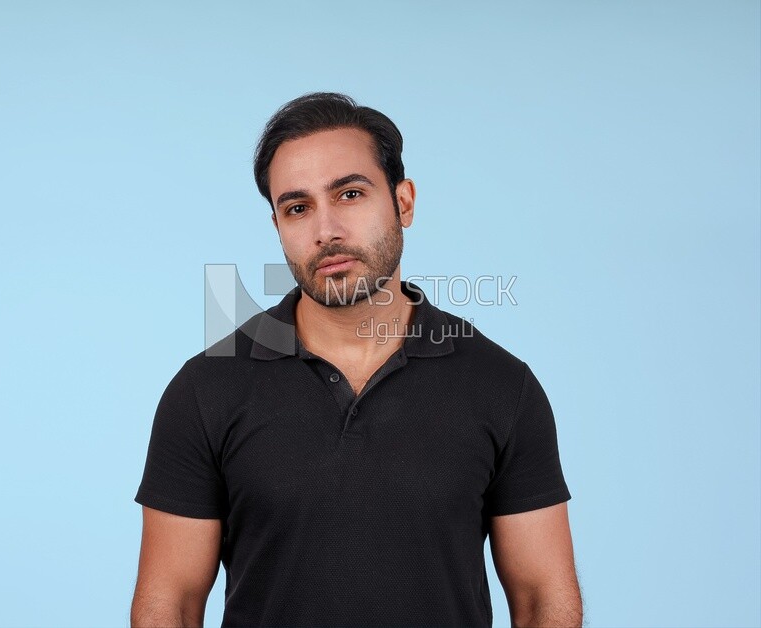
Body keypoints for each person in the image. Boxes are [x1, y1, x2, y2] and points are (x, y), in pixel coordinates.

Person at [131, 92, 582, 627]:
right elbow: (170, 604)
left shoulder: (503, 386)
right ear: (277, 225)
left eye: (349, 193)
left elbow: (541, 598)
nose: (326, 230)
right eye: (297, 207)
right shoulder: (205, 390)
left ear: (404, 202)